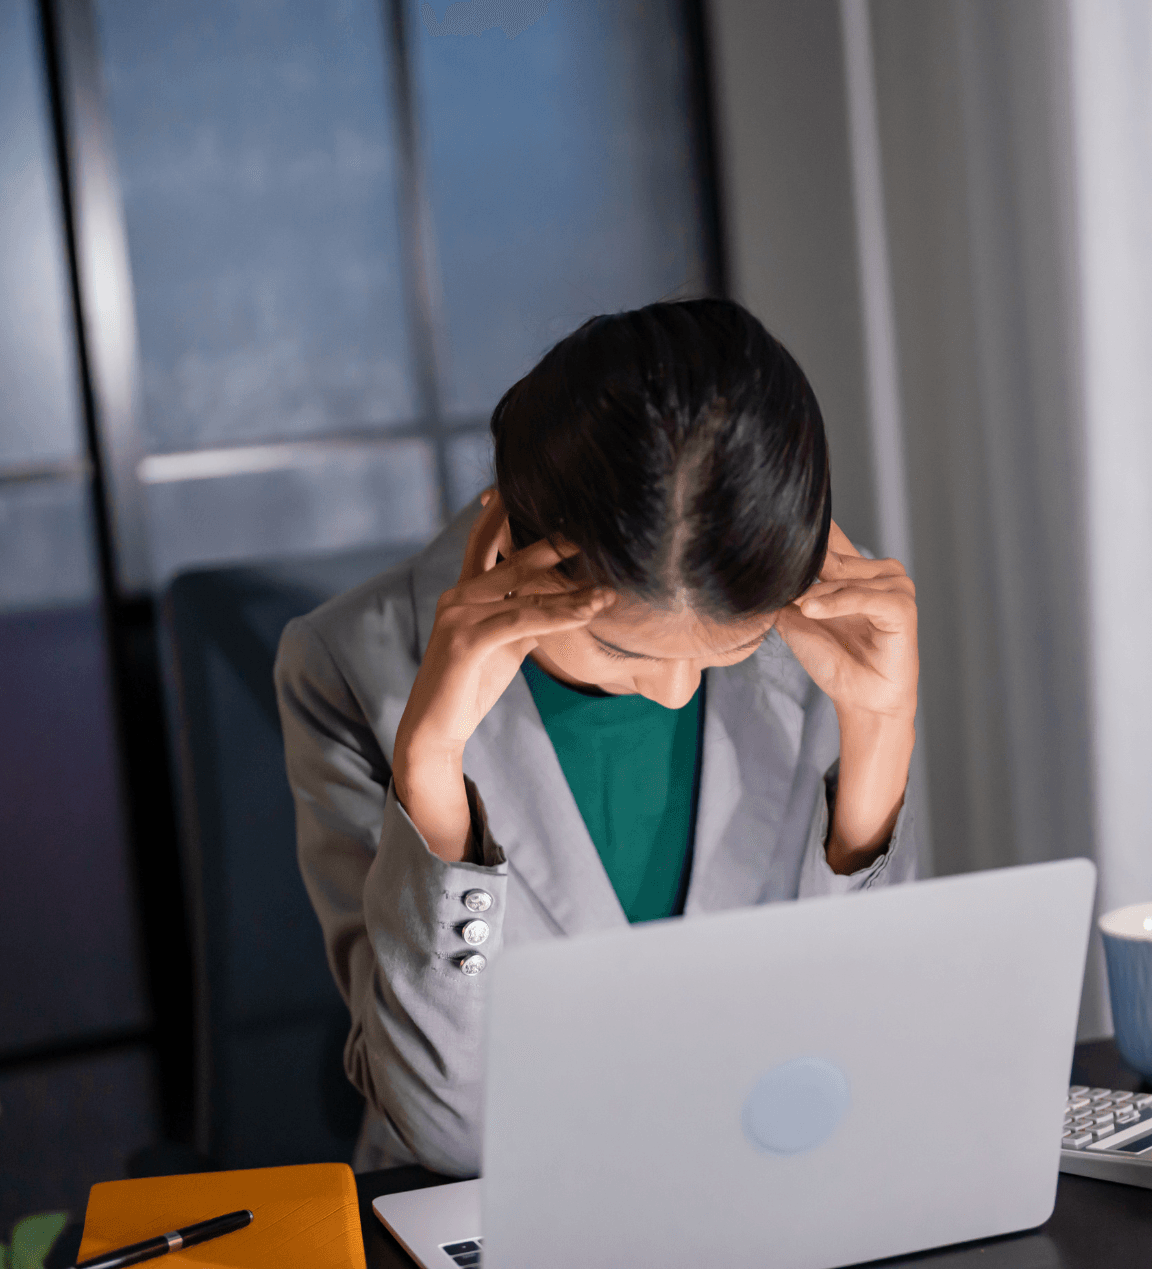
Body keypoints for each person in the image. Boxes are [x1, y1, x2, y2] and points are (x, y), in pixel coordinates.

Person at [275, 298, 922, 1175]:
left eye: (732, 647)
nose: (676, 689)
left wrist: (879, 731)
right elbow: (451, 1137)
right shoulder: (348, 666)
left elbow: (878, 1060)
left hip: (759, 1187)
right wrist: (430, 773)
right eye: (623, 649)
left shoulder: (813, 635)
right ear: (511, 546)